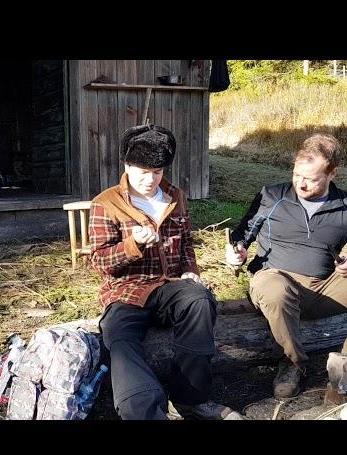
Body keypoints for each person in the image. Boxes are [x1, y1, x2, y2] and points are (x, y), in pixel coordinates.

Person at [89, 124, 242, 420]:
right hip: (126, 292)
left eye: (157, 171)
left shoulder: (175, 196)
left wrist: (190, 271)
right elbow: (99, 262)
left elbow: (186, 245)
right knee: (118, 335)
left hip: (171, 287)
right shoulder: (106, 203)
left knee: (200, 299)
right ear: (127, 165)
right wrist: (133, 245)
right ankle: (145, 412)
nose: (150, 179)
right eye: (142, 171)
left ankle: (191, 400)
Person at [226, 133, 347, 399]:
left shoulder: (344, 206)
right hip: (274, 279)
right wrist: (236, 251)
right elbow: (240, 235)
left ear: (332, 173)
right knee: (276, 290)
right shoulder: (272, 195)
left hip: (323, 288)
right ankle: (292, 363)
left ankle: (343, 372)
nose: (301, 184)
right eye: (296, 175)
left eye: (311, 178)